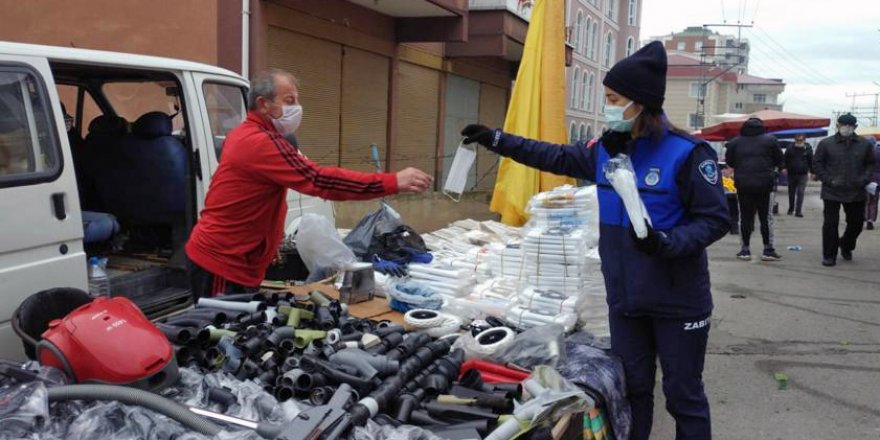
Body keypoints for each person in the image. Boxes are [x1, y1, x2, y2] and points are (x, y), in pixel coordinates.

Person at [461, 41, 728, 440]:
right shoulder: (607, 149)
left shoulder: (688, 154)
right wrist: (497, 139)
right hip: (626, 301)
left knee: (683, 395)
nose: (607, 107)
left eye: (612, 98)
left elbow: (715, 220)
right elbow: (554, 156)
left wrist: (667, 242)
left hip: (678, 301)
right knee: (633, 389)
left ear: (638, 103)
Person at [185, 69, 432, 297]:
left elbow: (249, 198)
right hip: (221, 264)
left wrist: (269, 242)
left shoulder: (249, 134)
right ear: (263, 104)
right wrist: (391, 181)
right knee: (217, 334)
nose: (298, 108)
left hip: (234, 261)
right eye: (289, 100)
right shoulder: (258, 142)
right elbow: (319, 180)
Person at [814, 114, 876, 266]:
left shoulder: (864, 144)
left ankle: (846, 244)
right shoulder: (826, 144)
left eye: (850, 126)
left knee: (856, 223)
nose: (846, 128)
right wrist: (828, 179)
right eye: (843, 125)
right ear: (838, 126)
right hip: (831, 190)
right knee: (830, 224)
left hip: (856, 190)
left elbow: (870, 165)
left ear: (855, 127)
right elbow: (817, 164)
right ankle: (829, 255)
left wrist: (863, 180)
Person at [724, 117, 784, 261]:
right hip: (765, 185)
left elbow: (730, 161)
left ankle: (745, 250)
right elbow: (779, 160)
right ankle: (767, 250)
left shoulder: (734, 142)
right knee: (766, 218)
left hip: (743, 185)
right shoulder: (771, 140)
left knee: (744, 217)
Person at [783, 134, 813, 217]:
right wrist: (784, 168)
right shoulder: (790, 148)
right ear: (795, 140)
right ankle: (791, 208)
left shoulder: (808, 149)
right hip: (791, 173)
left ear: (804, 140)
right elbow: (784, 159)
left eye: (801, 140)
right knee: (791, 193)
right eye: (797, 140)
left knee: (800, 192)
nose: (799, 142)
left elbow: (811, 160)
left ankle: (798, 211)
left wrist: (813, 172)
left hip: (803, 174)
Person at [866, 136, 880, 230]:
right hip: (877, 180)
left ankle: (866, 218)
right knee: (874, 202)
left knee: (866, 201)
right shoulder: (879, 152)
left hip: (865, 179)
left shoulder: (863, 153)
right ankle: (871, 220)